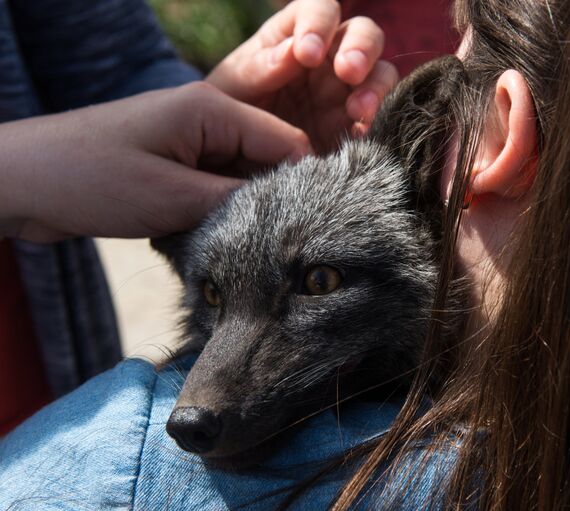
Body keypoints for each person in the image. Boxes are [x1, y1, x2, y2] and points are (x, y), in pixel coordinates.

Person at [3, 0, 570, 509]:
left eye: (458, 43)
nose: (191, 404)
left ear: (497, 134)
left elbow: (105, 63)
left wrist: (28, 175)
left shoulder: (114, 466)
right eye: (210, 299)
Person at [0, 0, 396, 434]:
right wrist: (25, 172)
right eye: (212, 296)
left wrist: (229, 115)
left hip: (39, 383)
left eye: (320, 282)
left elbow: (116, 66)